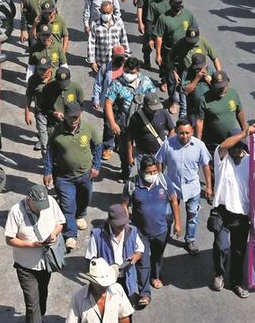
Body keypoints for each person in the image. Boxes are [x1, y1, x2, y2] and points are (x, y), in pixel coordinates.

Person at [43, 103, 102, 251]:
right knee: (67, 205)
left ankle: (80, 215)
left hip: (85, 175)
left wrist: (96, 166)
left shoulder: (88, 128)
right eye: (71, 117)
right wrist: (47, 171)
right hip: (64, 177)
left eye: (77, 116)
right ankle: (70, 235)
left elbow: (98, 146)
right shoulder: (57, 131)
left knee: (85, 198)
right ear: (65, 116)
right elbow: (49, 152)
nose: (75, 119)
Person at [5, 184, 63, 323]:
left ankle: (39, 316)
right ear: (29, 199)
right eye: (38, 205)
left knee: (42, 293)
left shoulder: (51, 202)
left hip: (45, 263)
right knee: (31, 303)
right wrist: (30, 245)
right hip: (25, 265)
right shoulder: (16, 211)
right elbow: (9, 239)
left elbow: (60, 223)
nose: (42, 209)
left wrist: (54, 234)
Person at [155, 119, 212, 255]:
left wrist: (209, 186)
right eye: (181, 133)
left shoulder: (199, 146)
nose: (184, 136)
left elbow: (205, 166)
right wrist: (161, 181)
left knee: (192, 215)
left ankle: (190, 240)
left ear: (192, 131)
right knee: (168, 214)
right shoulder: (168, 144)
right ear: (176, 132)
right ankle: (166, 234)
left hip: (192, 188)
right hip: (172, 187)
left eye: (187, 133)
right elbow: (159, 161)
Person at [123, 155, 175, 302]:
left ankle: (155, 276)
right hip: (140, 232)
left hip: (162, 230)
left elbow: (173, 199)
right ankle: (145, 293)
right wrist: (126, 225)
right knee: (142, 262)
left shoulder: (164, 181)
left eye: (154, 171)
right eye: (149, 172)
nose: (152, 175)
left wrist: (177, 223)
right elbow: (124, 205)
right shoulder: (132, 184)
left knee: (157, 257)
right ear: (141, 171)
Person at [211, 124, 255, 298]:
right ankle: (219, 274)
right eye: (234, 147)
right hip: (222, 211)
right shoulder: (221, 158)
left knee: (239, 251)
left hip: (242, 214)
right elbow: (223, 147)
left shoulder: (250, 160)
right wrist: (243, 134)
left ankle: (236, 282)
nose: (237, 150)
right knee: (222, 246)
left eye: (241, 147)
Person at [84, 204, 146, 305]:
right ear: (109, 221)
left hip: (127, 277)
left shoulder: (132, 231)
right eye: (118, 224)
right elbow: (91, 259)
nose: (122, 227)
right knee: (109, 306)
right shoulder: (97, 235)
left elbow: (140, 249)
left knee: (127, 307)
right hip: (107, 279)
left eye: (123, 223)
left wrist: (136, 256)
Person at [65, 258, 133, 323]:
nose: (103, 286)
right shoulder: (78, 298)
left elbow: (124, 317)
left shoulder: (118, 290)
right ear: (90, 280)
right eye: (99, 284)